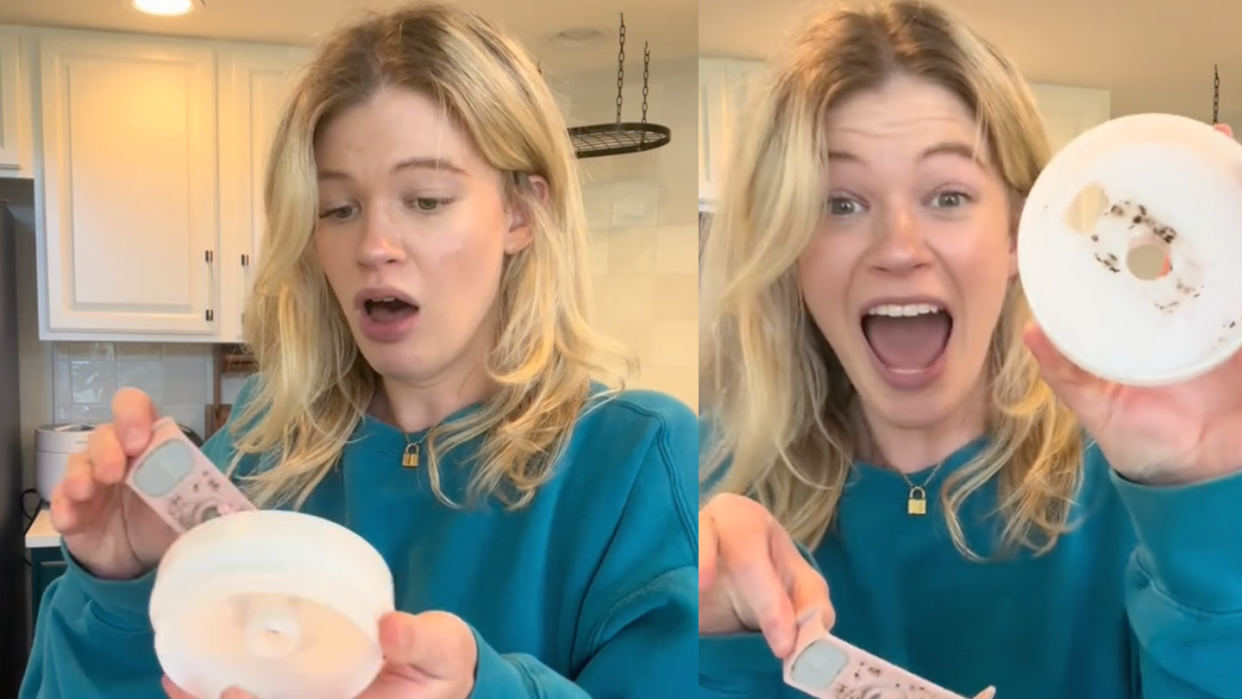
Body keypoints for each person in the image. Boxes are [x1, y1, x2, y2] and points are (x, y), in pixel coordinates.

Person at [20, 4, 698, 699]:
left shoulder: (634, 461)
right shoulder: (261, 444)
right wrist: (119, 593)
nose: (374, 244)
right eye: (338, 208)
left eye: (426, 199)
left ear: (521, 214)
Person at [696, 2, 1242, 699]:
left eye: (948, 195)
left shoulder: (1145, 489)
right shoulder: (701, 499)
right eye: (839, 203)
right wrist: (721, 646)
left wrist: (1205, 518)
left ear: (1019, 236)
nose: (898, 247)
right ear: (790, 250)